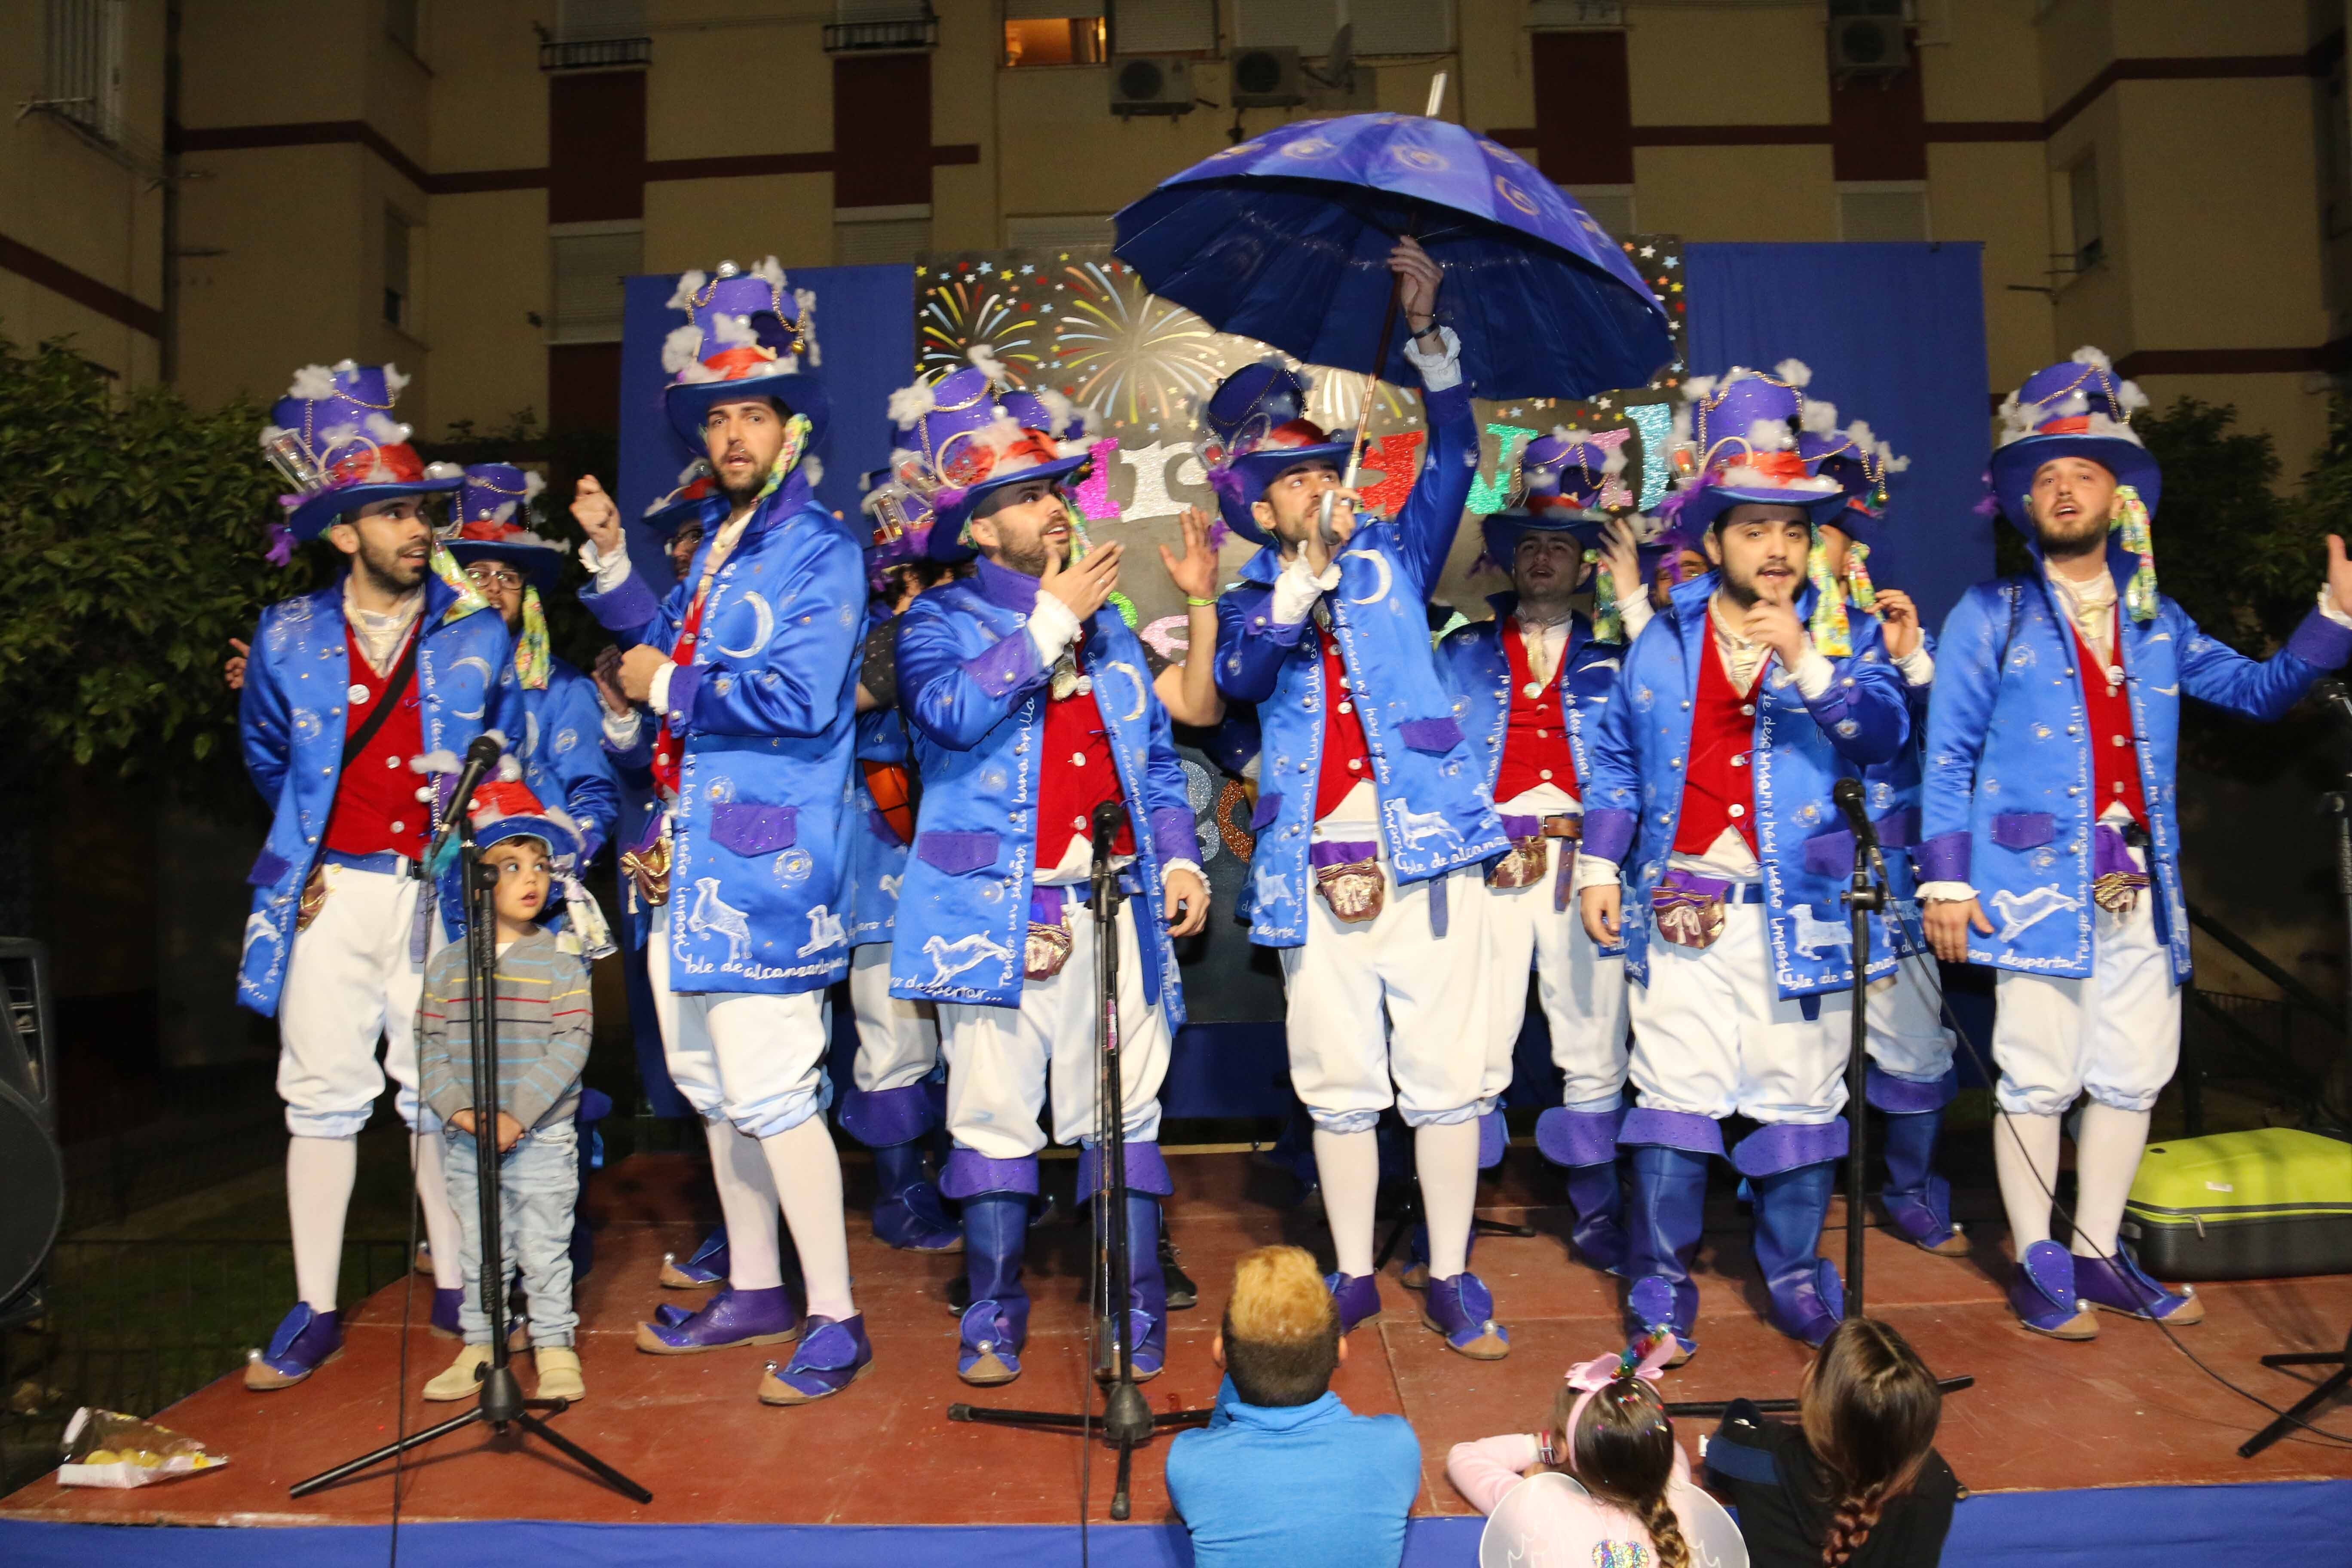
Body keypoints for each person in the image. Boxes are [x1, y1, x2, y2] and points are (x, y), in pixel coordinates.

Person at [1918, 349, 2352, 1337]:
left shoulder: (2160, 618)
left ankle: (2097, 1251)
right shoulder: (1991, 613)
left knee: (2130, 1074)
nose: (2065, 489)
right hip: (2029, 885)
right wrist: (1945, 883)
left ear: (2119, 499)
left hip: (2138, 891)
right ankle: (2037, 1262)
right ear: (2025, 504)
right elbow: (1946, 756)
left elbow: (2256, 693)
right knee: (2036, 1075)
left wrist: (2331, 619)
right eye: (2046, 477)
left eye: (2084, 472)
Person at [569, 258, 874, 1404]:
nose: (732, 434)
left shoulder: (821, 551)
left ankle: (836, 1315)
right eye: (716, 416)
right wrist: (611, 560)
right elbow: (660, 637)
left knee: (778, 1091)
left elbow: (797, 697)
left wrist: (664, 686)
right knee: (714, 1090)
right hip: (687, 866)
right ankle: (752, 1286)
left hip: (767, 869)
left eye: (752, 413)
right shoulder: (719, 543)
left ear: (793, 429)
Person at [1209, 239, 1510, 1359]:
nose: (1316, 487)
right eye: (1292, 479)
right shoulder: (1250, 597)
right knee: (1339, 1081)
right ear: (1260, 504)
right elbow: (1240, 680)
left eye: (1322, 470)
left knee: (1444, 1077)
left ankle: (1452, 1273)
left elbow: (1458, 455)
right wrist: (1300, 583)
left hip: (1429, 849)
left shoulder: (1397, 552)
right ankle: (1350, 1273)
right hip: (1314, 863)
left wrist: (1428, 336)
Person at [1577, 364, 1910, 1360]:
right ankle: (1658, 1285)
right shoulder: (1663, 640)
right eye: (1755, 529)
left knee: (1800, 1100)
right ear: (1714, 541)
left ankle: (1796, 1275)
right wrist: (1598, 867)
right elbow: (1615, 760)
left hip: (1803, 912)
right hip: (1683, 910)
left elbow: (1884, 736)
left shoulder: (1845, 634)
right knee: (1672, 1099)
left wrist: (1805, 660)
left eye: (1793, 531)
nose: (1777, 549)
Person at [885, 363, 1207, 1384]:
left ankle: (1132, 1305)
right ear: (980, 529)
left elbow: (1156, 763)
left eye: (1055, 490)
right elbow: (949, 715)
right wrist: (1047, 624)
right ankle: (991, 1312)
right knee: (989, 1116)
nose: (1053, 508)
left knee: (1126, 1114)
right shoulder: (935, 623)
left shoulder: (1109, 630)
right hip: (993, 913)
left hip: (1116, 909)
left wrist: (1181, 857)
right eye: (1026, 497)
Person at [236, 360, 519, 1389]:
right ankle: (314, 1306)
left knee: (437, 1096)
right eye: (394, 514)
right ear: (343, 533)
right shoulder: (286, 635)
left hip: (441, 896)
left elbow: (507, 758)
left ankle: (458, 1283)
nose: (418, 530)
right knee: (319, 1096)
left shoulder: (475, 633)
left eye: (423, 512)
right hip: (331, 896)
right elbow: (269, 757)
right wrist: (308, 850)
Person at [1437, 431, 1654, 1278]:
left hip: (1583, 867)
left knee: (1594, 1041)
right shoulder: (1458, 654)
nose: (1542, 558)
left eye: (1560, 546)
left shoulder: (1622, 660)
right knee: (1470, 1042)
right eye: (1530, 543)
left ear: (1583, 563)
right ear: (1508, 557)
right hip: (1485, 868)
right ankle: (1453, 1216)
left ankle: (1598, 1215)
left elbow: (1657, 748)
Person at [1792, 408, 1965, 1259]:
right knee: (1798, 1058)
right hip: (1795, 881)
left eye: (1824, 534)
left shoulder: (1887, 634)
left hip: (1888, 872)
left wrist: (1915, 664)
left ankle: (1908, 1189)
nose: (1808, 549)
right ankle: (1791, 1207)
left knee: (1913, 1044)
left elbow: (1952, 744)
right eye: (1796, 531)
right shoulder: (1742, 635)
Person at [415, 781, 601, 1406]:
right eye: (512, 866)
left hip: (541, 1137)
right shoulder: (448, 967)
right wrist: (462, 1111)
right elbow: (429, 1046)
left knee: (544, 1248)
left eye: (541, 866)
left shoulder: (561, 960)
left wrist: (517, 1116)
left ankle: (553, 1344)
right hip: (469, 1138)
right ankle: (482, 1343)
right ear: (476, 880)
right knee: (480, 1249)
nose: (532, 879)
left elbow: (571, 1044)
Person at [831, 469, 958, 1254]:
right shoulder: (863, 638)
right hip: (880, 865)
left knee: (967, 1032)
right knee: (895, 1033)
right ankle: (902, 1196)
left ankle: (963, 1183)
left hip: (958, 868)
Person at [1165, 1245, 1420, 1568]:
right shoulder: (1396, 1446)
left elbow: (1220, 1444)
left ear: (1220, 1353)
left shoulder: (1190, 1461)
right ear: (1340, 1352)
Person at [442, 464, 622, 866]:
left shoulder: (564, 688)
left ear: (526, 593)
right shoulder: (423, 678)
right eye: (477, 575)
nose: (494, 588)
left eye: (509, 577)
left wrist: (556, 872)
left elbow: (593, 794)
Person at [1703, 1317, 1958, 1568]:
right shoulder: (1935, 1480)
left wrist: (1743, 1417)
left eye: (1817, 1362)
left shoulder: (1764, 1458)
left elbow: (1720, 1451)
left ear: (1823, 1402)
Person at [1446, 1333, 1705, 1568]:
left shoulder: (1540, 1503)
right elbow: (1672, 1450)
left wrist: (1545, 1449)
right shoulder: (1676, 1493)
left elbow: (1465, 1457)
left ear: (1562, 1447)